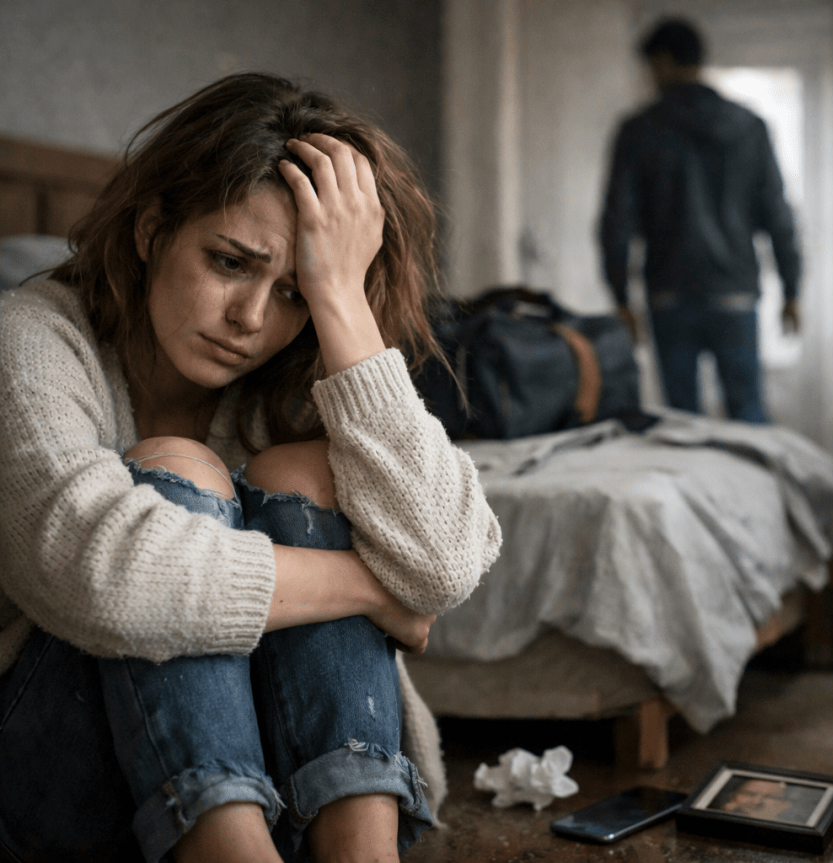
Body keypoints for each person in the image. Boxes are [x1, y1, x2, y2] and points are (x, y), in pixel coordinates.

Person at [0, 72, 502, 863]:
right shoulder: (30, 340)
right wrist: (374, 586)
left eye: (294, 293)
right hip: (53, 776)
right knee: (177, 468)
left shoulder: (289, 377)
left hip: (289, 785)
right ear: (151, 227)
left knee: (303, 472)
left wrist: (341, 297)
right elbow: (109, 579)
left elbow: (440, 565)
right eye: (230, 262)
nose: (252, 320)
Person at [599, 17, 802, 422]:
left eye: (651, 67)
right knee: (748, 413)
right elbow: (776, 213)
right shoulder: (749, 126)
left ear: (664, 61)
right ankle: (754, 489)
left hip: (669, 292)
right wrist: (792, 288)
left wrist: (621, 296)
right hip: (735, 293)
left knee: (683, 420)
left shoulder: (639, 130)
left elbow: (617, 221)